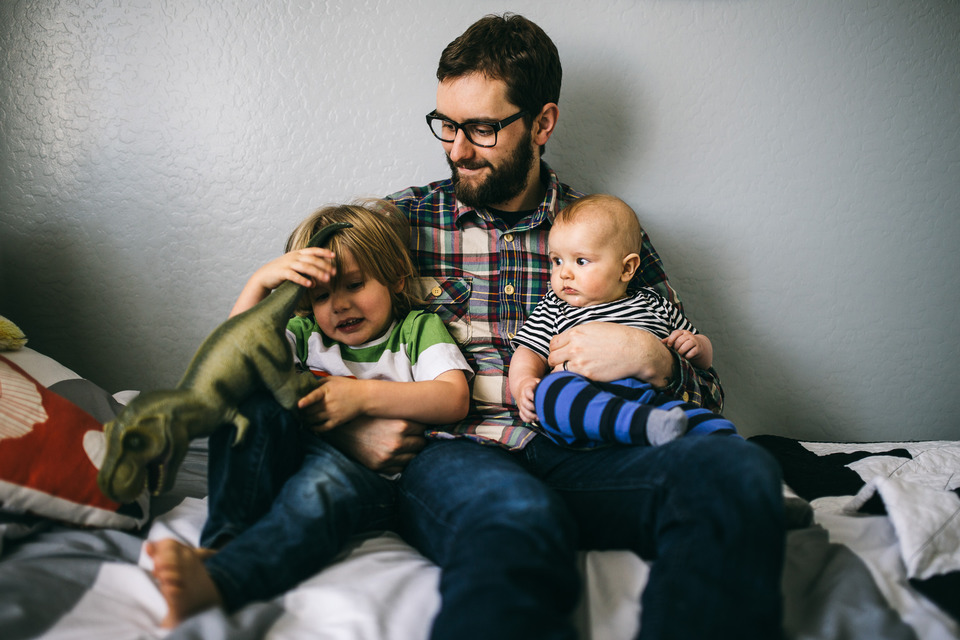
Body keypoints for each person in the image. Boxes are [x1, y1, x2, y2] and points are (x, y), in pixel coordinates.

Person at [201, 13, 786, 640]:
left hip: (587, 452)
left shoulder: (605, 235)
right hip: (457, 459)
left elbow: (710, 396)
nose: (456, 148)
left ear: (541, 123)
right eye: (446, 125)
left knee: (739, 471)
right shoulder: (398, 225)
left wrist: (658, 359)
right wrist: (353, 434)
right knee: (517, 521)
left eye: (481, 128)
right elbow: (272, 362)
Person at [146, 200, 471, 627]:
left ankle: (222, 578)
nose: (339, 305)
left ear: (395, 278)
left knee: (320, 488)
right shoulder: (304, 334)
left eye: (354, 285)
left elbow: (453, 398)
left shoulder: (415, 330)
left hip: (366, 479)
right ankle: (223, 542)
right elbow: (235, 358)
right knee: (249, 405)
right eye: (321, 295)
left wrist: (363, 398)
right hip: (290, 453)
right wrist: (259, 282)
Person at [508, 193, 738, 448]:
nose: (564, 273)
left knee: (712, 423)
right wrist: (523, 385)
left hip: (649, 397)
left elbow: (703, 359)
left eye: (581, 261)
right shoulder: (554, 305)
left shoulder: (653, 302)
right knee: (552, 391)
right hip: (587, 400)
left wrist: (697, 345)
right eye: (557, 260)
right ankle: (640, 425)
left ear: (627, 268)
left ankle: (718, 443)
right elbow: (529, 351)